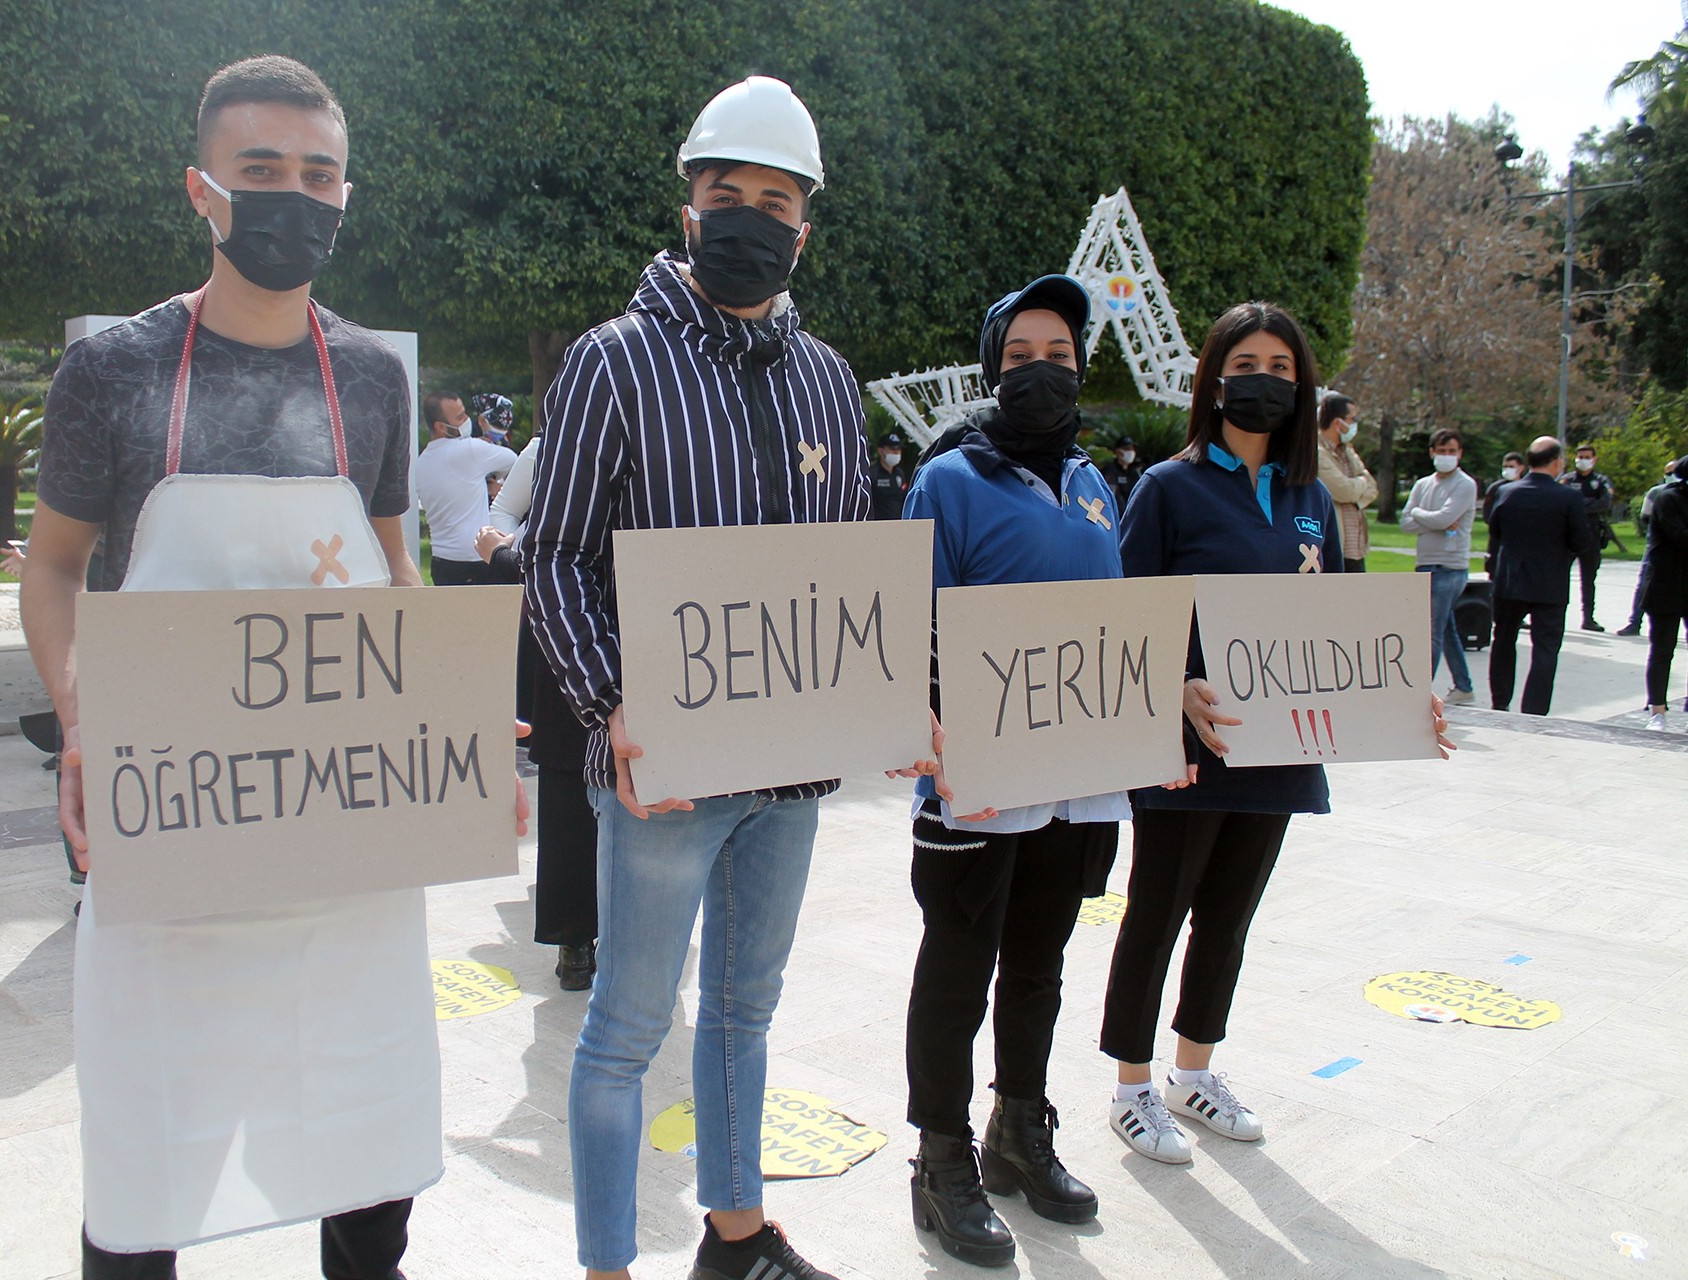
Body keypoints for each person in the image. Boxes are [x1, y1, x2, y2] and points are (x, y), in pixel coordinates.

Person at [20, 56, 451, 1279]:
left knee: (366, 1152)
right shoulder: (114, 370)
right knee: (152, 1160)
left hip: (346, 844)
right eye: (261, 170)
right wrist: (80, 710)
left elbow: (389, 566)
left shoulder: (371, 374)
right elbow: (53, 569)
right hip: (175, 830)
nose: (292, 197)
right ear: (201, 189)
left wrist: (446, 725)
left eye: (318, 175)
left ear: (345, 194)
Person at [522, 75, 935, 1280]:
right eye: (727, 192)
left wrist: (893, 696)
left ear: (804, 226)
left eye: (775, 198)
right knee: (625, 1033)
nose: (749, 214)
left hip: (789, 775)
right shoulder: (614, 362)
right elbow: (555, 556)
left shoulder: (827, 379)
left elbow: (848, 566)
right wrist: (612, 700)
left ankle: (737, 1234)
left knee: (746, 1011)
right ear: (689, 205)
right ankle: (609, 1263)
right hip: (665, 769)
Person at [1098, 301, 1452, 1165]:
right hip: (1189, 752)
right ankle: (1133, 1089)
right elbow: (1127, 620)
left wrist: (1408, 696)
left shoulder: (1308, 500)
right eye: (1248, 363)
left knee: (1229, 919)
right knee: (1157, 914)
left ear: (1303, 388)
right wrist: (1175, 692)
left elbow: (1334, 628)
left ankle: (1195, 1072)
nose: (1265, 380)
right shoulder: (1167, 487)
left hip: (1280, 749)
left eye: (1284, 369)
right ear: (1216, 376)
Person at [900, 275, 1117, 1268]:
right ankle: (941, 1156)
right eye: (1022, 354)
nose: (1044, 369)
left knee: (1039, 967)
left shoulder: (1095, 484)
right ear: (993, 370)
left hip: (1075, 781)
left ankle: (1018, 1130)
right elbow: (909, 626)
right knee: (959, 972)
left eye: (1061, 354)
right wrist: (939, 725)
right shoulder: (950, 479)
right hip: (975, 783)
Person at [477, 435, 600, 991]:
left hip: (613, 629)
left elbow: (543, 557)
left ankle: (605, 934)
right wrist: (504, 547)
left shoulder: (662, 438)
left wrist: (500, 554)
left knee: (629, 785)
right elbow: (539, 546)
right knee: (569, 787)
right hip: (568, 633)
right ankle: (578, 938)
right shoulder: (554, 448)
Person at [1487, 436, 1593, 715]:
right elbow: (1582, 540)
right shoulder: (1568, 496)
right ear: (1557, 462)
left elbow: (1495, 530)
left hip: (1511, 579)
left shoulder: (1506, 492)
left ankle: (1500, 701)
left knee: (1504, 640)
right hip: (1550, 582)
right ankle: (1534, 711)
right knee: (1545, 648)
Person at [1400, 428, 1478, 704]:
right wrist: (1429, 518)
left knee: (1431, 631)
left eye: (1452, 451)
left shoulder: (1464, 485)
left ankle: (1420, 694)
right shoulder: (1423, 485)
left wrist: (1422, 515)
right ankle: (1464, 685)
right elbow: (1405, 522)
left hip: (1451, 567)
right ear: (1432, 452)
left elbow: (1445, 518)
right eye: (1441, 451)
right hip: (1425, 565)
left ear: (1460, 453)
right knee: (1445, 628)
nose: (1446, 456)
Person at [418, 390, 516, 584]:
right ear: (440, 426)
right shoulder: (470, 450)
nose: (466, 420)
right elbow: (515, 461)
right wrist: (501, 488)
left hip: (440, 563)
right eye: (460, 417)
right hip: (477, 559)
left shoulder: (421, 463)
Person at [1640, 457, 1688, 729]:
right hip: (1666, 586)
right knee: (1662, 650)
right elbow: (1679, 536)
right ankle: (1657, 709)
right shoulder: (1668, 499)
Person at [1315, 394, 1376, 572]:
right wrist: (1359, 485)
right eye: (1352, 419)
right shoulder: (1316, 452)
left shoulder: (1348, 451)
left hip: (1356, 549)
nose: (1355, 424)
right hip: (1334, 548)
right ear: (1337, 422)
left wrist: (1356, 493)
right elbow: (1344, 490)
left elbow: (1372, 487)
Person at [1559, 442, 1615, 631]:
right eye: (1580, 457)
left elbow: (1605, 503)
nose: (1582, 461)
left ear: (1594, 459)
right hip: (1567, 535)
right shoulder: (1566, 480)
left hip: (1591, 535)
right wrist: (1586, 503)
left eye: (1586, 457)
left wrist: (1578, 505)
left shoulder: (1601, 481)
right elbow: (1560, 501)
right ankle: (1557, 614)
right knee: (1559, 575)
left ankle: (1588, 618)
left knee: (1588, 578)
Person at [1620, 459, 1678, 636]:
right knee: (1645, 583)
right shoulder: (1655, 493)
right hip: (1656, 546)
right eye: (1668, 473)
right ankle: (1634, 622)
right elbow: (1645, 517)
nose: (1671, 476)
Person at [1099, 435, 1144, 516]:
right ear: (1118, 451)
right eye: (1127, 449)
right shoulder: (1110, 471)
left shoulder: (1135, 472)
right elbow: (1110, 496)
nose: (1131, 452)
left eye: (1132, 449)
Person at [871, 429, 910, 519]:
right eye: (892, 449)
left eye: (898, 449)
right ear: (881, 451)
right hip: (878, 525)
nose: (896, 452)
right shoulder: (873, 473)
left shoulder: (900, 473)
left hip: (899, 524)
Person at [1483, 450, 1526, 526]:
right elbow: (1487, 510)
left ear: (1521, 468)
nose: (1507, 469)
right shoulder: (1495, 488)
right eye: (1505, 466)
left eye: (1511, 467)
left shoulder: (1526, 488)